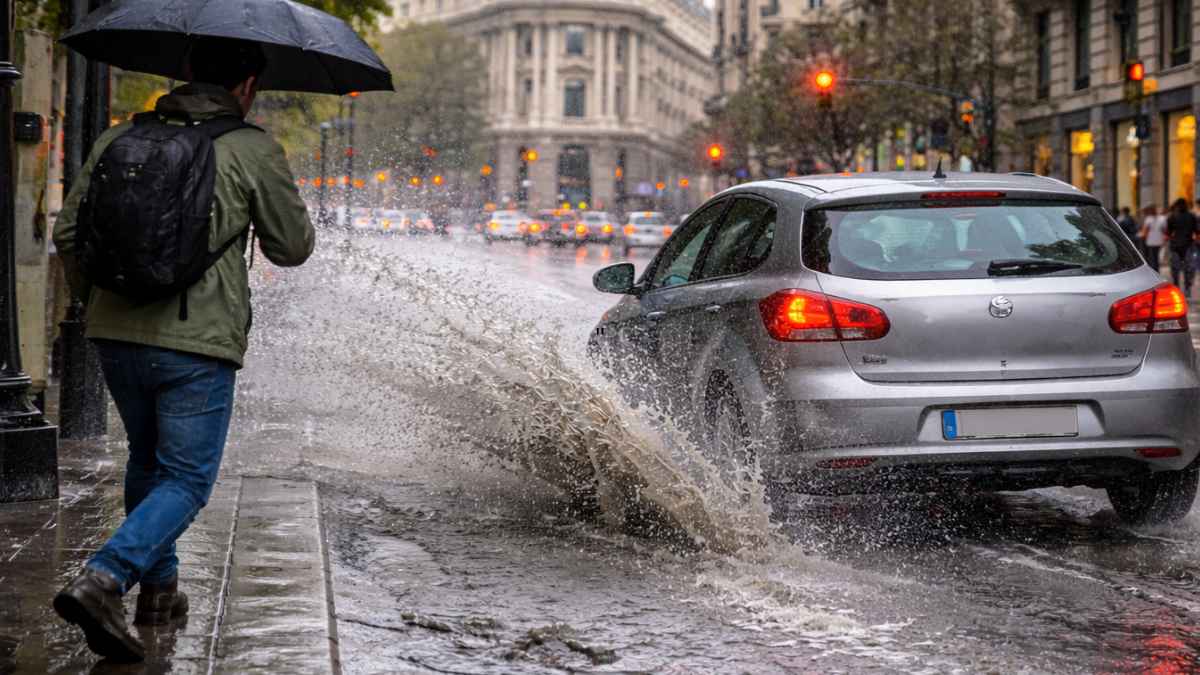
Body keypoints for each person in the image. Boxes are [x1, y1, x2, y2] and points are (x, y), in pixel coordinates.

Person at [50, 38, 315, 662]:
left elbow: (68, 234)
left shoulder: (119, 140)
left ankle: (159, 591)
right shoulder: (251, 147)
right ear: (248, 87)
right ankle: (107, 577)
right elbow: (292, 248)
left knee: (148, 461)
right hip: (198, 340)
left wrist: (99, 304)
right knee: (189, 478)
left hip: (114, 332)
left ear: (186, 73)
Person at [1166, 198, 1197, 295]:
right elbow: (1196, 231)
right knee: (1189, 268)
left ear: (1177, 206)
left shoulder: (1172, 217)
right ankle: (1187, 288)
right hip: (1188, 245)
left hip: (1175, 245)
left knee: (1175, 269)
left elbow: (1169, 232)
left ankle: (1177, 287)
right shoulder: (1192, 216)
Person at [1141, 205, 1168, 272]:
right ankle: (1156, 270)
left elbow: (1145, 231)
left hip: (1150, 241)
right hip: (1159, 240)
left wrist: (1143, 237)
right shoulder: (1163, 218)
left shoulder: (1148, 219)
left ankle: (1154, 270)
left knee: (1152, 257)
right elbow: (1165, 230)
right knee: (1156, 257)